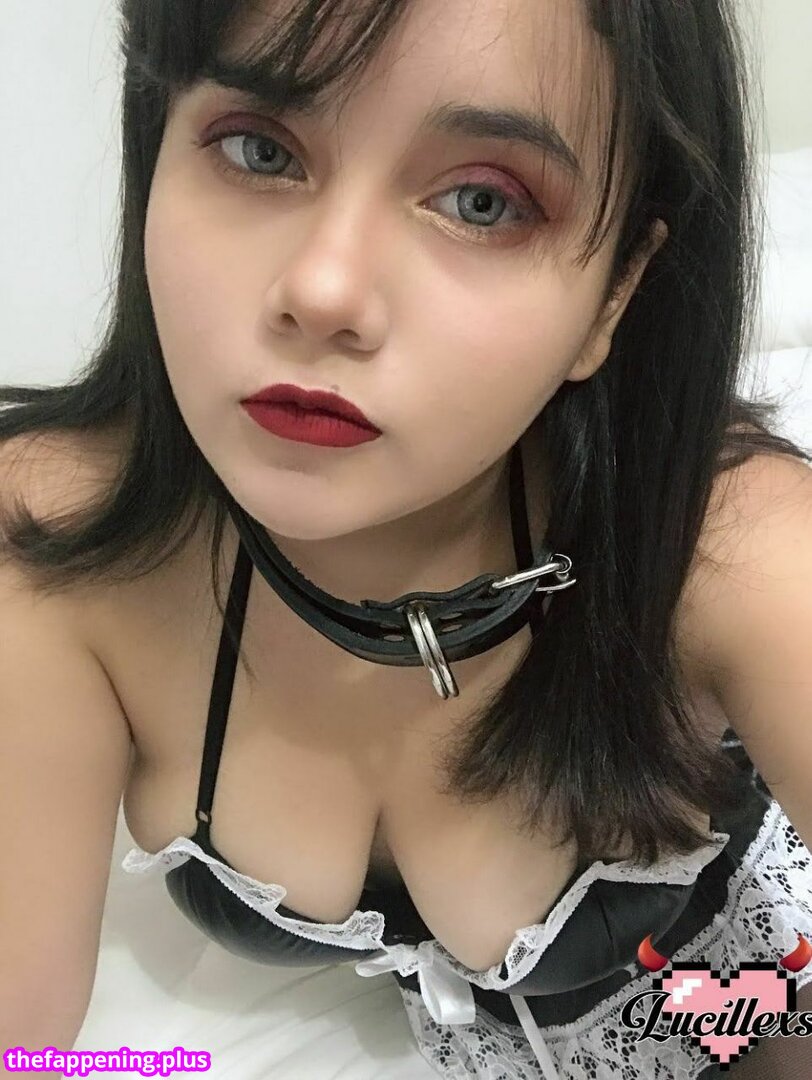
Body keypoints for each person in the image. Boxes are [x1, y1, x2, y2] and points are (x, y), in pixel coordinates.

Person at [1, 0, 811, 1077]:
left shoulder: (736, 550)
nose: (322, 290)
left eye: (482, 202)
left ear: (615, 292)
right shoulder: (53, 541)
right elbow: (23, 1041)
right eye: (258, 150)